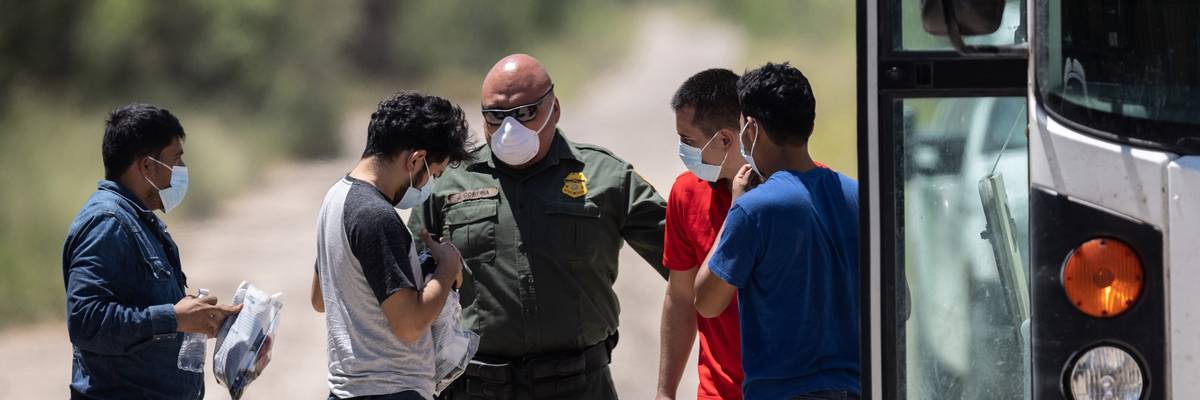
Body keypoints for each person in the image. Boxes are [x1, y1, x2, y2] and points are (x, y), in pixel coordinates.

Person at [407, 53, 668, 399]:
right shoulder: (448, 182)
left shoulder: (607, 177)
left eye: (526, 113)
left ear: (554, 110)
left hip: (579, 385)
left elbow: (690, 264)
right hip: (478, 387)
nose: (509, 128)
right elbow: (405, 285)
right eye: (495, 117)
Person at [693, 63, 861, 400]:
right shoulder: (860, 197)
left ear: (751, 128)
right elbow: (900, 304)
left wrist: (734, 210)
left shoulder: (755, 209)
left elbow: (707, 300)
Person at [62, 103, 242, 400]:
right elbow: (86, 321)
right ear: (147, 166)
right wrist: (173, 317)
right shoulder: (107, 223)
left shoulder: (138, 219)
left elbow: (139, 303)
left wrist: (197, 316)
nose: (181, 171)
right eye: (176, 159)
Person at [311, 91, 475, 400]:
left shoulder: (335, 198)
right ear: (415, 160)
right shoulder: (377, 217)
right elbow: (410, 325)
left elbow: (321, 298)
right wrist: (447, 269)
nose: (429, 185)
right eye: (434, 174)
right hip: (390, 391)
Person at [657, 68, 747, 400]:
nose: (682, 151)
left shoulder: (788, 192)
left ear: (725, 139)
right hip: (717, 393)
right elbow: (680, 298)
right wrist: (665, 392)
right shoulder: (685, 194)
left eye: (688, 141)